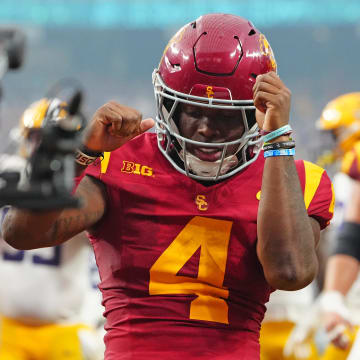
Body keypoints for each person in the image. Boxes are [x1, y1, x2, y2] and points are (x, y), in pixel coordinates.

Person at [2, 13, 334, 360]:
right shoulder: (118, 157)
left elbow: (290, 272)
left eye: (224, 116)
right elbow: (22, 234)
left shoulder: (292, 177)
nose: (206, 128)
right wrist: (81, 154)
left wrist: (278, 139)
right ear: (168, 104)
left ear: (256, 114)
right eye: (191, 111)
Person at [0, 98, 105, 360]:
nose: (45, 149)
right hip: (7, 326)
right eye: (38, 139)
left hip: (63, 328)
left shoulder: (88, 187)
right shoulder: (8, 173)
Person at [283, 92, 360, 360]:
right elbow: (349, 240)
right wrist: (331, 298)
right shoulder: (344, 182)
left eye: (336, 134)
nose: (333, 144)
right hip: (347, 302)